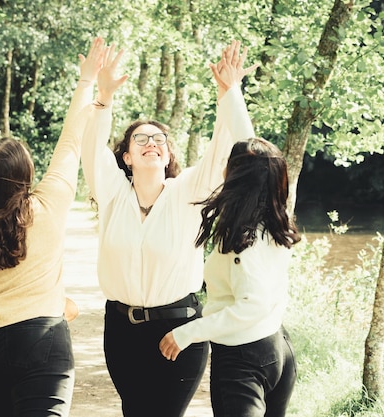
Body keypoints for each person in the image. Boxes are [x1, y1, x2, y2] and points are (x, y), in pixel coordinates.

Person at [80, 40, 258, 417]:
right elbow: (91, 149)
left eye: (159, 139)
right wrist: (103, 98)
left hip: (178, 330)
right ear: (126, 157)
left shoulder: (188, 192)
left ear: (168, 154)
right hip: (122, 330)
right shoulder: (112, 193)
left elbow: (226, 149)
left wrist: (229, 94)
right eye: (140, 139)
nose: (151, 143)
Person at [0, 37, 107, 417]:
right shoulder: (47, 205)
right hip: (42, 341)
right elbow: (71, 143)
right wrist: (86, 82)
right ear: (25, 178)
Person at [158, 137, 301, 417]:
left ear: (238, 177)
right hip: (277, 348)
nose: (223, 170)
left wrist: (187, 333)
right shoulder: (273, 225)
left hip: (243, 358)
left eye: (228, 165)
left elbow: (252, 304)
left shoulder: (245, 243)